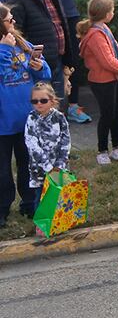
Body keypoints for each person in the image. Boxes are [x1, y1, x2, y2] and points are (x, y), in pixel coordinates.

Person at [21, 0, 88, 122]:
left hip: (68, 12)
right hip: (50, 19)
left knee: (73, 60)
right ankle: (49, 112)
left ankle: (73, 105)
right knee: (53, 65)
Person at [0, 3, 47, 226]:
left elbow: (43, 72)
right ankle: (2, 208)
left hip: (26, 120)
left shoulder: (20, 42)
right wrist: (5, 50)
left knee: (28, 164)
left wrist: (39, 67)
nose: (14, 22)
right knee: (2, 172)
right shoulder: (7, 47)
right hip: (3, 123)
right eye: (9, 19)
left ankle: (29, 204)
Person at [75, 0, 118, 165]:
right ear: (106, 14)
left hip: (115, 77)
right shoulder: (95, 35)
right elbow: (106, 61)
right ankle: (102, 150)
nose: (113, 12)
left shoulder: (104, 28)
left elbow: (116, 48)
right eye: (112, 10)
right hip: (102, 81)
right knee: (107, 114)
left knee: (116, 113)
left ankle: (117, 147)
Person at [23, 82, 68, 233]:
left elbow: (65, 140)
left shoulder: (59, 118)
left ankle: (59, 221)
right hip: (39, 169)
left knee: (56, 196)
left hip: (58, 166)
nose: (39, 104)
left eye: (43, 100)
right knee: (40, 196)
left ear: (52, 100)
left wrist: (60, 164)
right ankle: (41, 225)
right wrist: (48, 167)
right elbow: (31, 143)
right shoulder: (31, 118)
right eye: (35, 101)